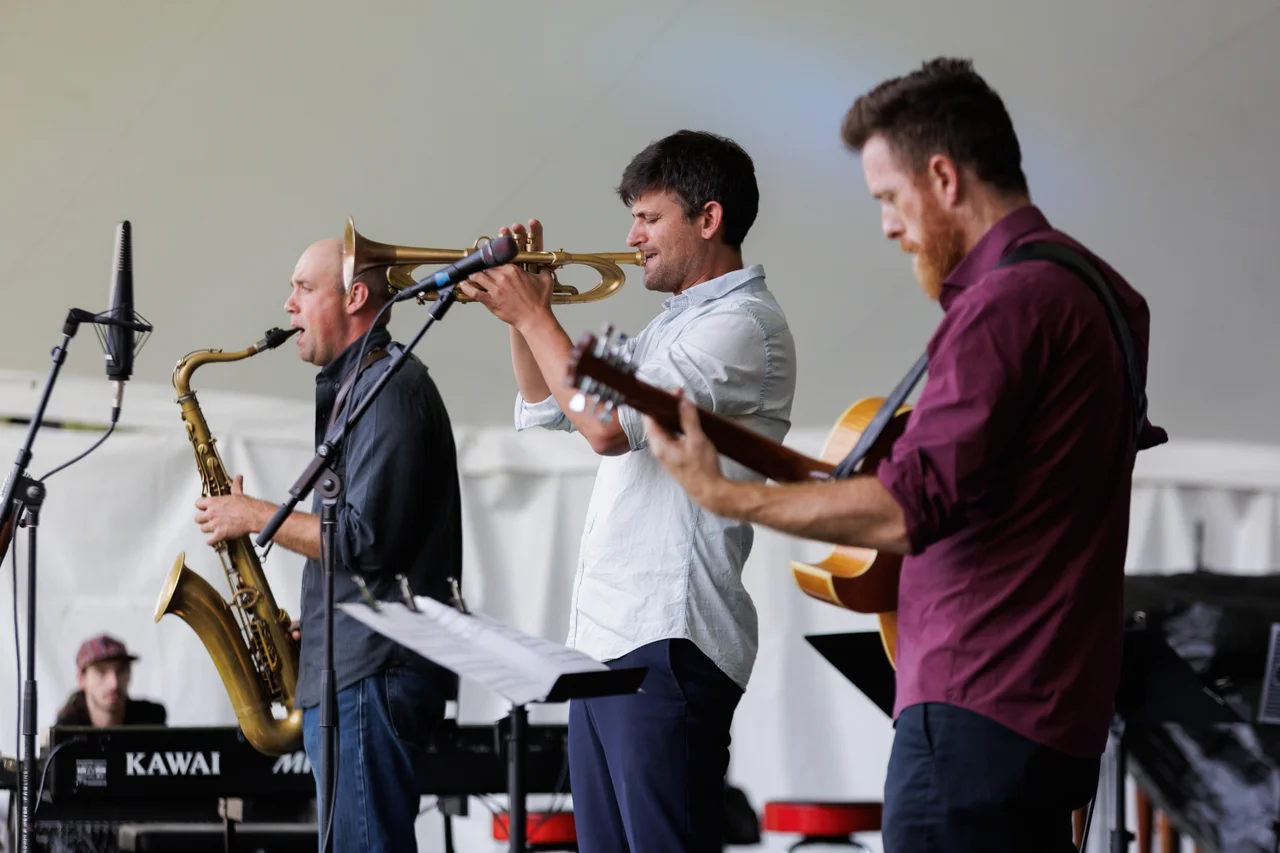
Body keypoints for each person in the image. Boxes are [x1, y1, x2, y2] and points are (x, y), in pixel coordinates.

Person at [644, 58, 1168, 852]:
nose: (889, 225)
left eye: (890, 198)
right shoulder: (1106, 293)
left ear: (944, 178)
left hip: (975, 708)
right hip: (1063, 714)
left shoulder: (1004, 305)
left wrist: (725, 495)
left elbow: (906, 506)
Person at [458, 129, 796, 852]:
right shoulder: (669, 329)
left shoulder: (741, 326)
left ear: (709, 219)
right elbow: (549, 405)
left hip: (669, 639)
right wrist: (525, 314)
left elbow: (607, 429)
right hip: (611, 644)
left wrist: (533, 313)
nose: (630, 235)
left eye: (649, 217)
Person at [192, 237, 462, 852]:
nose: (288, 305)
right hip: (353, 667)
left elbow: (366, 540)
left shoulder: (391, 390)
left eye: (304, 289)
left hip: (373, 672)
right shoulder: (361, 391)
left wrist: (252, 515)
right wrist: (315, 635)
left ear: (357, 296)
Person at [54, 634, 166, 726]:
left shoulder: (150, 720)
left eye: (121, 670)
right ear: (81, 679)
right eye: (101, 672)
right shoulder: (67, 730)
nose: (114, 683)